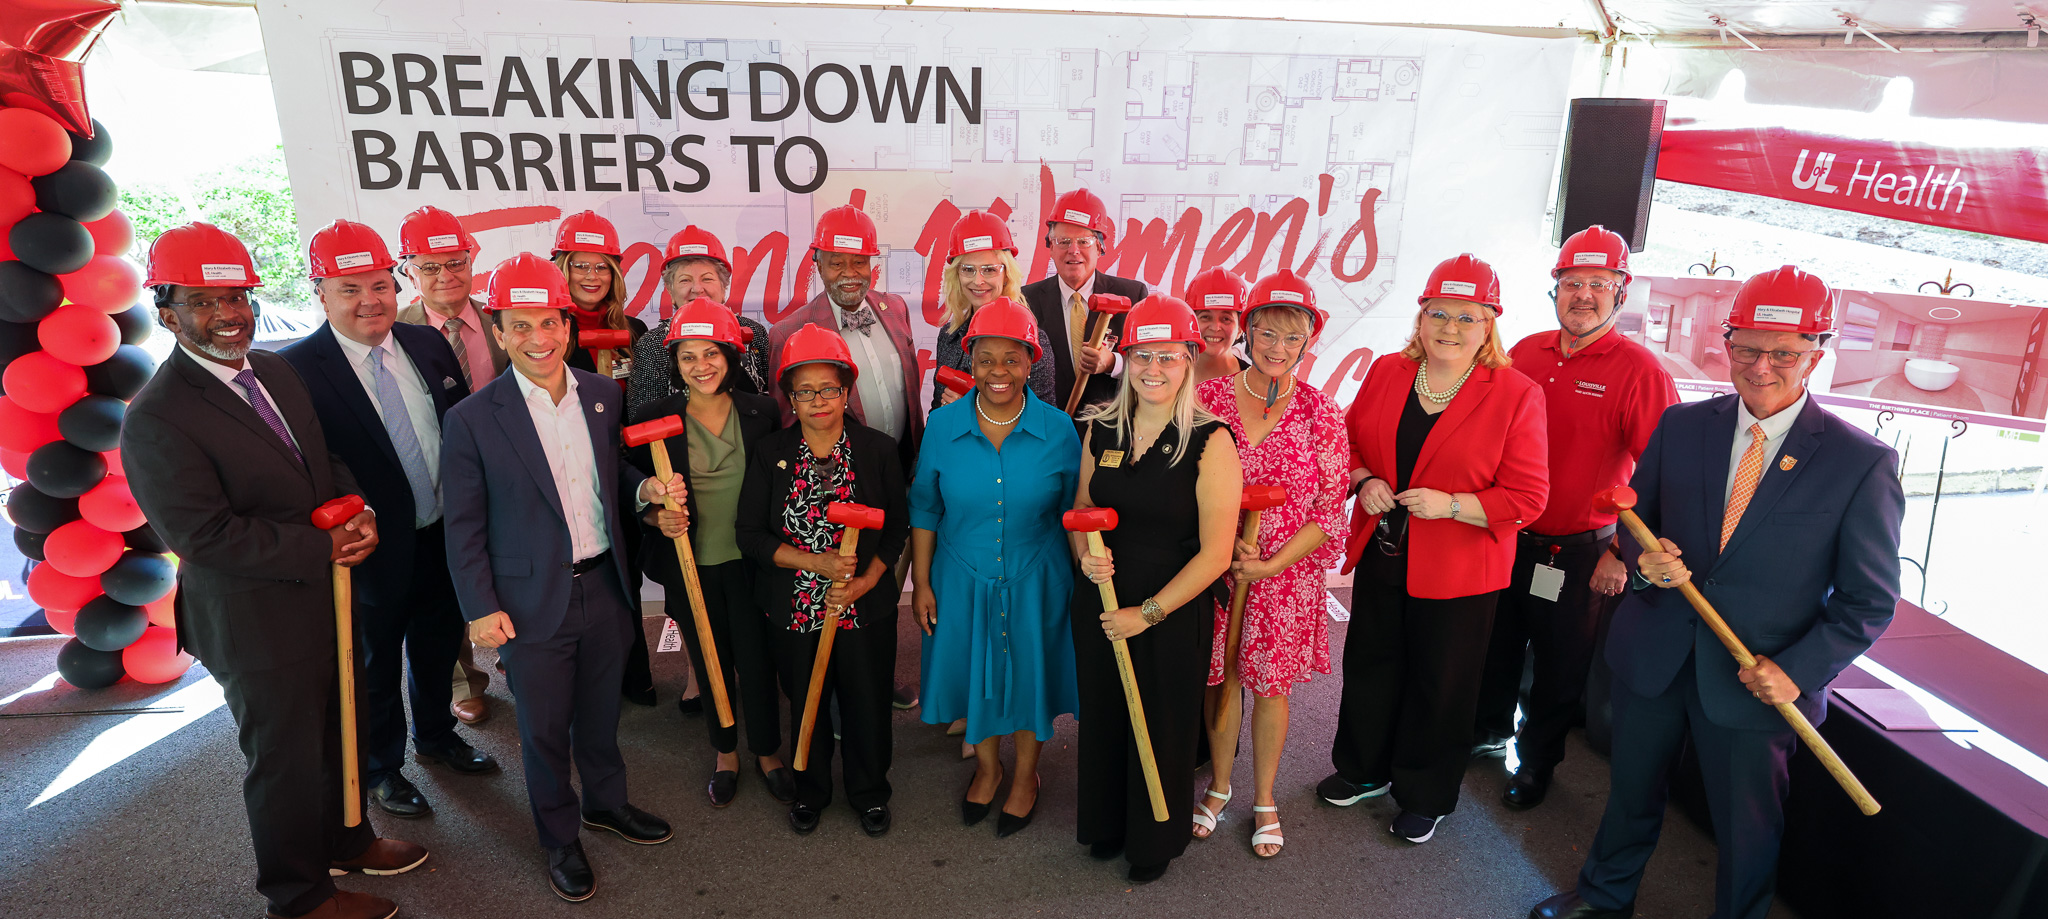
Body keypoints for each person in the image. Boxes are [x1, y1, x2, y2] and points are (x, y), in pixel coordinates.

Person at [1530, 266, 1904, 919]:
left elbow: (1868, 601)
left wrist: (1796, 672)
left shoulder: (1859, 462)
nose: (1762, 366)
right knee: (1630, 791)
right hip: (1656, 652)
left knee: (1749, 823)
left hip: (1757, 675)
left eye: (1784, 352)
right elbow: (1634, 521)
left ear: (1817, 353)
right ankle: (1605, 893)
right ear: (1726, 342)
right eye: (1747, 348)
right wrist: (1645, 562)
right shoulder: (1682, 426)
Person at [123, 222, 422, 919]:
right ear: (166, 312)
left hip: (327, 598)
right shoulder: (156, 417)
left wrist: (358, 508)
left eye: (239, 297)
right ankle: (297, 894)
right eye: (204, 300)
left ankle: (347, 837)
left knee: (337, 729)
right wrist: (325, 547)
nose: (229, 314)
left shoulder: (278, 371)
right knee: (284, 758)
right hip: (253, 618)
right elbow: (205, 536)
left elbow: (322, 462)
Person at [440, 253, 682, 903]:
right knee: (544, 728)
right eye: (520, 326)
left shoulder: (603, 395)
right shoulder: (470, 420)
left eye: (548, 322)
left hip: (605, 587)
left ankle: (606, 803)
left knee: (601, 716)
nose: (538, 339)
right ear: (498, 330)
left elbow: (614, 476)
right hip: (525, 600)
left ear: (567, 325)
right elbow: (461, 526)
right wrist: (480, 607)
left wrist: (644, 490)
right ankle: (558, 835)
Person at [1321, 253, 1548, 845]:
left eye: (1467, 317)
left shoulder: (1516, 393)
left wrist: (1452, 505)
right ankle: (1363, 769)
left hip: (1460, 569)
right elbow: (1343, 442)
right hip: (1384, 551)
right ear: (1420, 317)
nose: (1450, 328)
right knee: (1370, 662)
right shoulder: (1389, 373)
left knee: (1441, 681)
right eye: (1438, 314)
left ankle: (1425, 793)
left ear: (1490, 324)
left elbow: (1528, 497)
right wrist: (1364, 479)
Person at [279, 219, 498, 823]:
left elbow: (460, 436)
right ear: (319, 290)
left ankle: (437, 737)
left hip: (443, 534)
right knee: (373, 664)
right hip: (369, 548)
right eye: (349, 288)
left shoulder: (426, 343)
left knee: (435, 647)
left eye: (379, 284)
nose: (369, 301)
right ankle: (382, 767)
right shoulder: (295, 369)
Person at [1472, 226, 1677, 809]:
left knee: (1560, 664)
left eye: (1598, 283)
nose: (1582, 294)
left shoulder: (1640, 371)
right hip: (1504, 536)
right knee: (1495, 643)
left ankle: (1536, 764)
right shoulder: (1522, 353)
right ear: (1554, 289)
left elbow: (1662, 472)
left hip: (1578, 550)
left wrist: (1621, 553)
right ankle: (1487, 733)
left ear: (1621, 291)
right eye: (1571, 282)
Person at [1069, 295, 1241, 884]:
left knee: (1163, 721)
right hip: (1100, 597)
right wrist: (1086, 563)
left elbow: (1217, 554)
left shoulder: (1212, 440)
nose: (1153, 369)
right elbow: (1083, 509)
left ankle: (1153, 837)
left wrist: (1146, 614)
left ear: (1189, 360)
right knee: (1106, 711)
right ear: (1126, 354)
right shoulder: (1101, 428)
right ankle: (1107, 821)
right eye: (1142, 354)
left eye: (1168, 356)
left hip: (1169, 606)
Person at [909, 298, 1080, 838]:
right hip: (960, 576)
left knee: (1030, 677)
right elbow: (925, 506)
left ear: (1032, 361)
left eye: (1012, 358)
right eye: (986, 359)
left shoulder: (1060, 430)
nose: (998, 372)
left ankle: (1026, 776)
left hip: (1039, 576)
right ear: (970, 360)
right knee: (974, 676)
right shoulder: (941, 425)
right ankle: (988, 769)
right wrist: (920, 580)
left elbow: (1075, 513)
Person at [1193, 269, 1349, 858]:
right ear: (1247, 331)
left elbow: (1330, 510)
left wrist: (1272, 562)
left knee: (1270, 687)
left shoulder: (1321, 414)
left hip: (1283, 579)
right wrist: (1221, 550)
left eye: (1292, 337)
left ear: (1308, 340)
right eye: (1266, 334)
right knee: (1222, 680)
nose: (1278, 348)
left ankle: (1264, 798)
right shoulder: (1207, 399)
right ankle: (1220, 786)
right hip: (1216, 568)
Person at [737, 323, 910, 838]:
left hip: (863, 604)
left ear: (846, 390)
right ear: (789, 396)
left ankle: (870, 792)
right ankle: (810, 790)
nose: (817, 400)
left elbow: (895, 528)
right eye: (804, 390)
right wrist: (818, 565)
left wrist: (866, 579)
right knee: (806, 697)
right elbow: (750, 535)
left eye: (828, 388)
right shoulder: (772, 454)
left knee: (868, 700)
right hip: (796, 606)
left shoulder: (878, 450)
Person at [627, 296, 794, 807]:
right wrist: (654, 512)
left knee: (757, 658)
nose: (701, 367)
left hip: (752, 561)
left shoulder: (762, 411)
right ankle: (726, 752)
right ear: (674, 362)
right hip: (690, 562)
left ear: (730, 354)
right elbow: (629, 481)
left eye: (711, 354)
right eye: (688, 356)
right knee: (709, 656)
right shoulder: (656, 416)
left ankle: (767, 752)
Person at [766, 203, 923, 710]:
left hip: (897, 470)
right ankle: (827, 697)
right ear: (816, 262)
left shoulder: (894, 309)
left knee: (881, 587)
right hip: (835, 490)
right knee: (832, 589)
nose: (849, 273)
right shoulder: (789, 331)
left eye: (859, 263)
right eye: (837, 262)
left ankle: (875, 681)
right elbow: (789, 421)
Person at [393, 205, 503, 726]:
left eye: (455, 262)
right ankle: (464, 681)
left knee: (512, 566)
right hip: (437, 477)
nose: (445, 275)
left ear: (472, 259)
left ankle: (516, 656)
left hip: (509, 470)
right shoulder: (394, 334)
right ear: (408, 270)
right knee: (445, 581)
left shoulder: (500, 319)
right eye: (430, 266)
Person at [550, 210, 657, 706]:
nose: (591, 278)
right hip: (567, 470)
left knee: (624, 573)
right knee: (575, 575)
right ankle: (576, 682)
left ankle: (632, 676)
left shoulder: (634, 329)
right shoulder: (547, 331)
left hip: (625, 469)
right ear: (562, 268)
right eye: (580, 266)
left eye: (601, 268)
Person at [1021, 188, 1149, 411]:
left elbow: (1151, 367)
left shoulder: (1133, 296)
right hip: (1048, 431)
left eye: (1083, 241)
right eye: (1063, 241)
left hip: (1111, 432)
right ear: (1050, 247)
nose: (1073, 250)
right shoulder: (1024, 302)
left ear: (1100, 247)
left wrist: (1112, 363)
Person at [627, 225, 771, 422]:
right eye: (685, 280)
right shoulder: (652, 345)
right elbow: (642, 419)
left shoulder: (755, 333)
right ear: (670, 290)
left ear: (724, 286)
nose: (697, 289)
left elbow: (768, 402)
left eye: (707, 279)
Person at [929, 210, 1056, 407]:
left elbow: (1045, 424)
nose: (978, 281)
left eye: (989, 270)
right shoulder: (949, 336)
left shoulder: (1032, 341)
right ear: (957, 275)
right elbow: (937, 414)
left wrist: (973, 409)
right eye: (968, 269)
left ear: (1006, 274)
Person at [1188, 266, 1249, 385]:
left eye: (1226, 319)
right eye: (1205, 317)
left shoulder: (1254, 383)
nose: (1215, 327)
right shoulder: (1171, 376)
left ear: (1240, 328)